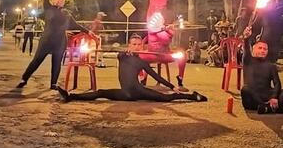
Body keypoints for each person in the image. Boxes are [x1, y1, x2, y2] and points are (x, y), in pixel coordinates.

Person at [57, 34, 206, 103]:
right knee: (101, 93)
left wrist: (172, 86)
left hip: (139, 91)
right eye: (133, 44)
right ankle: (70, 97)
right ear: (129, 46)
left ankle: (193, 97)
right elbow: (119, 55)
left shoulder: (141, 61)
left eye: (138, 44)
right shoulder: (123, 56)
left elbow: (156, 76)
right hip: (125, 93)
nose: (136, 47)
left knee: (166, 98)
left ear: (142, 46)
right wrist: (123, 53)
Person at [18, 0, 87, 90]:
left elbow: (76, 25)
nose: (61, 0)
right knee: (36, 60)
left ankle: (53, 83)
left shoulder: (66, 14)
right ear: (54, 0)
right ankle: (24, 79)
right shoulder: (48, 8)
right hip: (46, 40)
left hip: (59, 43)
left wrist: (89, 32)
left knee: (56, 63)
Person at [240, 27, 283, 114]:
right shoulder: (248, 61)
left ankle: (267, 108)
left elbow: (277, 83)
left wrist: (274, 97)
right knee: (245, 89)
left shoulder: (271, 66)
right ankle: (272, 107)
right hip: (253, 98)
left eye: (265, 49)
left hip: (267, 94)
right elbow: (246, 48)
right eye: (260, 48)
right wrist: (246, 38)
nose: (263, 51)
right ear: (253, 49)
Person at [139, 12, 187, 88]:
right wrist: (164, 29)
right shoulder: (151, 29)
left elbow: (169, 36)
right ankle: (142, 78)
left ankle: (180, 78)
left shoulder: (167, 30)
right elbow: (152, 32)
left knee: (182, 55)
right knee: (137, 55)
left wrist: (168, 29)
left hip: (165, 55)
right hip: (152, 54)